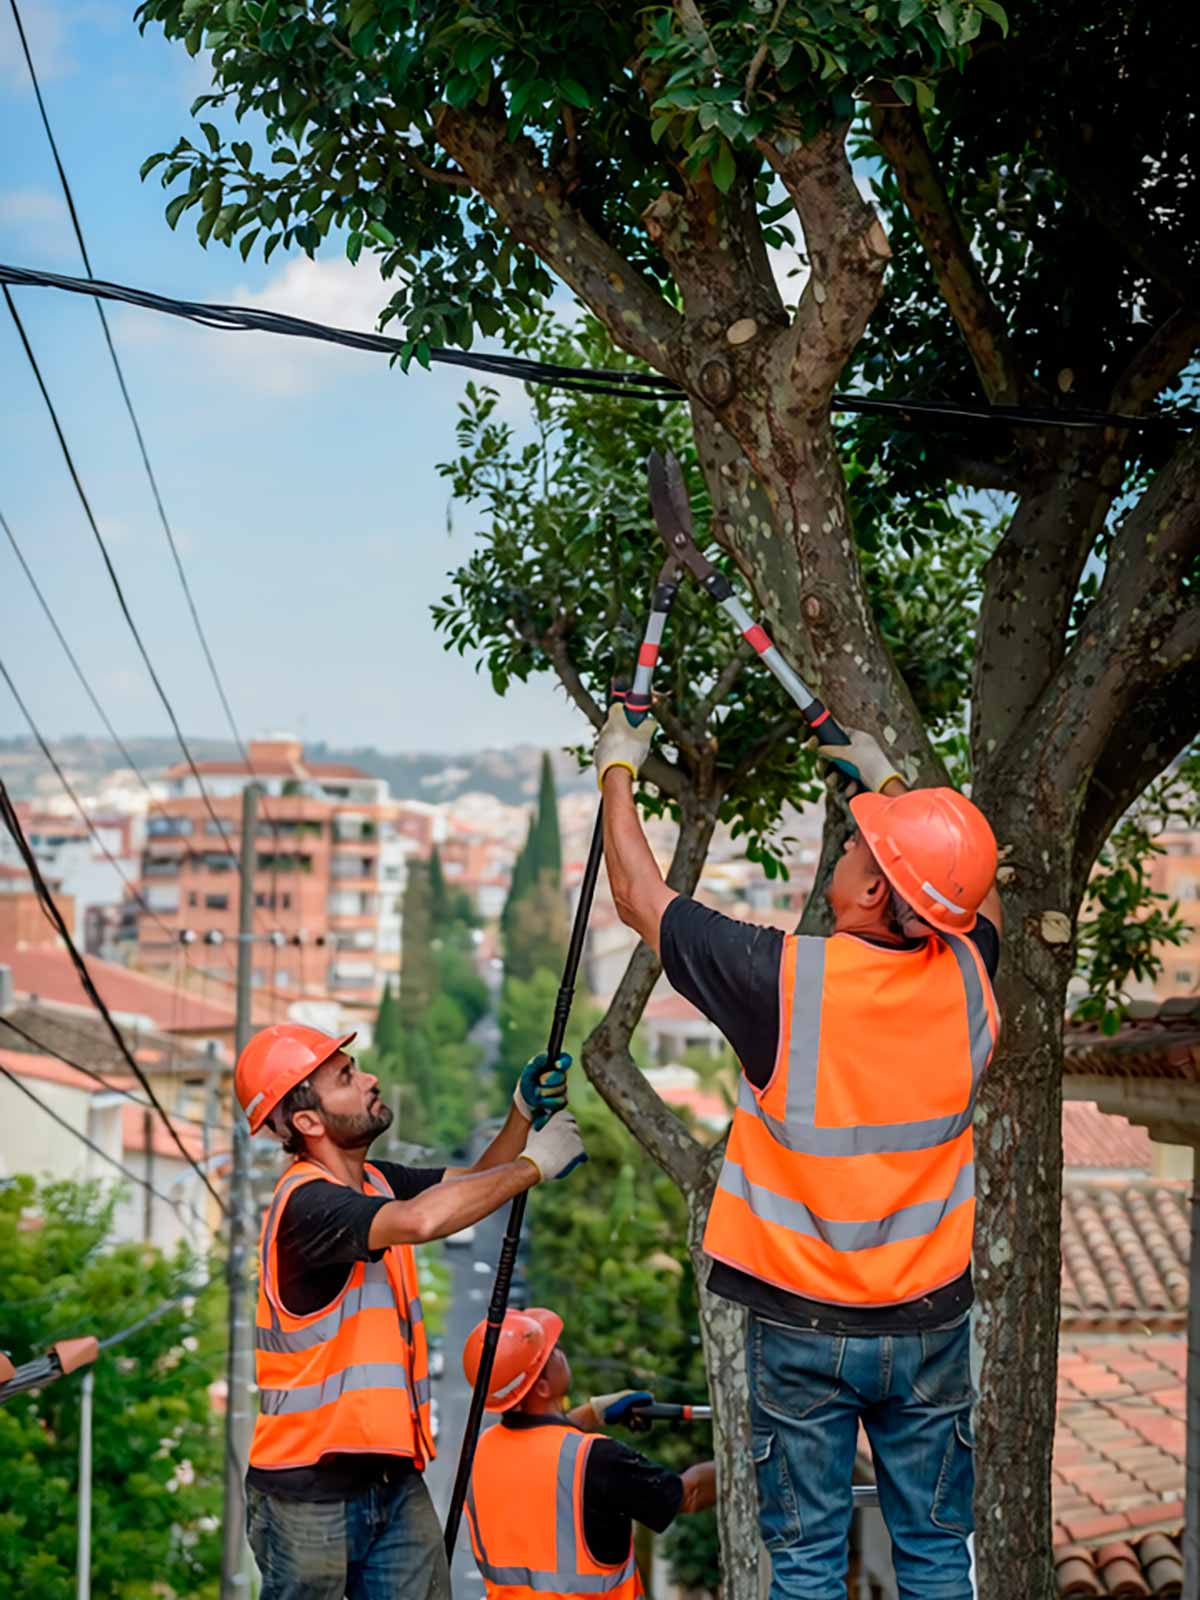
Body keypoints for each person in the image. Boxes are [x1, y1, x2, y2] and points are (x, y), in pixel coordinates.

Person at [592, 709, 1001, 1600]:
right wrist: (892, 785)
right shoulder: (971, 976)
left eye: (859, 844)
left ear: (870, 892)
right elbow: (973, 900)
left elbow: (636, 897)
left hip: (805, 1327)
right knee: (937, 1556)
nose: (848, 841)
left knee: (808, 1564)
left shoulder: (783, 981)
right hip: (929, 1321)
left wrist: (617, 770)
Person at [235, 1023, 585, 1600]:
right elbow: (422, 1220)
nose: (369, 1079)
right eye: (346, 1078)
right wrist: (533, 1167)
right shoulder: (308, 1205)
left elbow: (472, 1187)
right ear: (308, 1122)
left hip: (392, 1479)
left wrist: (520, 1117)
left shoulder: (376, 1182)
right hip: (307, 1493)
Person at [462, 1307, 716, 1598]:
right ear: (542, 1387)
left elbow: (537, 1453)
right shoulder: (597, 1459)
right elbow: (689, 1494)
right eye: (552, 1352)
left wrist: (594, 1412)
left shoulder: (480, 1452)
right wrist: (744, 1459)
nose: (559, 1350)